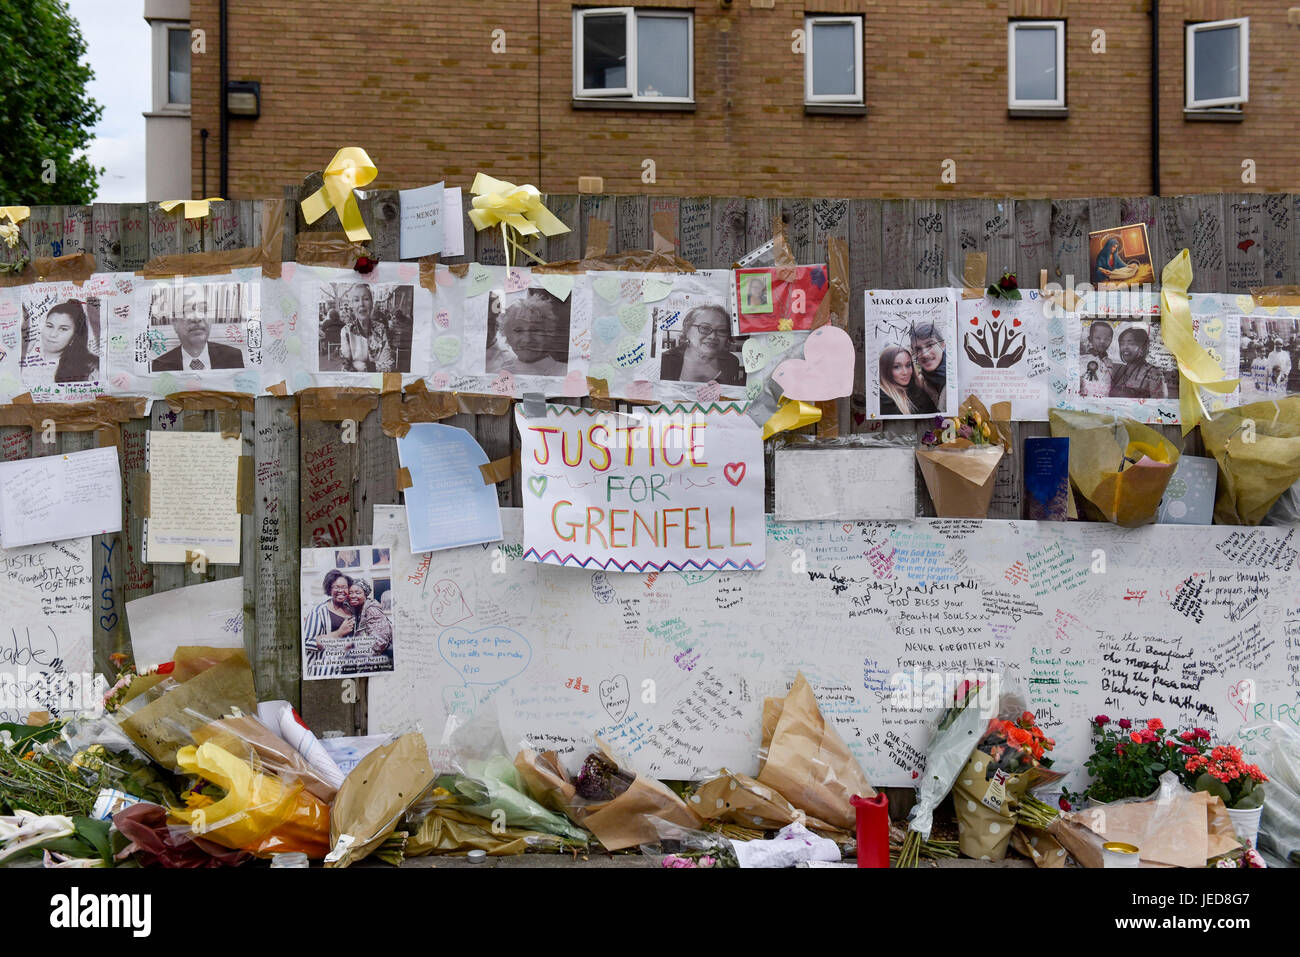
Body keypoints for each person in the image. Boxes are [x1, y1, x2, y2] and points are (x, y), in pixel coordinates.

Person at [152, 290, 245, 371]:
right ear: (174, 323)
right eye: (187, 311)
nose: (197, 318)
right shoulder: (159, 365)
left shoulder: (233, 357)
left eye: (204, 309)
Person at [659, 304, 745, 386]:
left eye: (721, 330)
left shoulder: (732, 362)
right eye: (704, 328)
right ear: (687, 330)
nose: (713, 336)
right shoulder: (665, 360)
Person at [491, 296, 568, 376]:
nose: (527, 339)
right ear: (506, 334)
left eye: (535, 330)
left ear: (549, 332)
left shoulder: (566, 372)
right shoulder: (497, 374)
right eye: (518, 330)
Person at [25, 300, 99, 383]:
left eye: (63, 329)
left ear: (75, 335)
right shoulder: (27, 357)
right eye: (49, 326)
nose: (53, 334)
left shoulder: (90, 369)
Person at [303, 569, 357, 674]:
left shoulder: (351, 609)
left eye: (344, 587)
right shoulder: (318, 611)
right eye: (336, 587)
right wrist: (338, 633)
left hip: (349, 667)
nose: (341, 591)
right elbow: (307, 642)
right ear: (329, 589)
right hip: (327, 670)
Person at [337, 284, 394, 373]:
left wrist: (365, 367)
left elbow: (388, 365)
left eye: (366, 299)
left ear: (372, 304)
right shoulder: (346, 331)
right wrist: (377, 366)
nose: (361, 304)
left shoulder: (381, 328)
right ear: (352, 305)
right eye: (356, 300)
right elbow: (346, 367)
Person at [1108, 327, 1168, 399]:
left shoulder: (1154, 373)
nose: (1125, 347)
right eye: (1122, 343)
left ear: (1142, 347)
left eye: (1131, 343)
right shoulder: (1118, 370)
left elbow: (1160, 405)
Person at [878, 346, 935, 416]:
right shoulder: (881, 400)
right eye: (896, 367)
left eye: (908, 365)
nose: (905, 372)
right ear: (885, 370)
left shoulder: (919, 392)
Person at [347, 577, 393, 657]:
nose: (353, 596)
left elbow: (380, 642)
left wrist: (359, 656)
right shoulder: (358, 610)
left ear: (365, 594)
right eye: (350, 593)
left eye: (358, 593)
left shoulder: (372, 610)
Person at [909, 322, 948, 411]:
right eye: (918, 349)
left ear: (942, 345)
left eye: (930, 345)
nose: (925, 354)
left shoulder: (958, 378)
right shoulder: (919, 384)